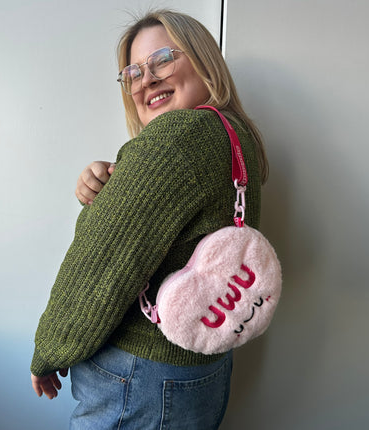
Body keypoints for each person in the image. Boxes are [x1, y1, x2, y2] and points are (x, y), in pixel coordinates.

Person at [31, 8, 268, 429]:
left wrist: (51, 349)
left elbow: (100, 261)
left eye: (162, 59)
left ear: (203, 60)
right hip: (198, 367)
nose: (147, 79)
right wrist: (115, 183)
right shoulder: (233, 135)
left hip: (139, 376)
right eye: (133, 73)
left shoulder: (179, 137)